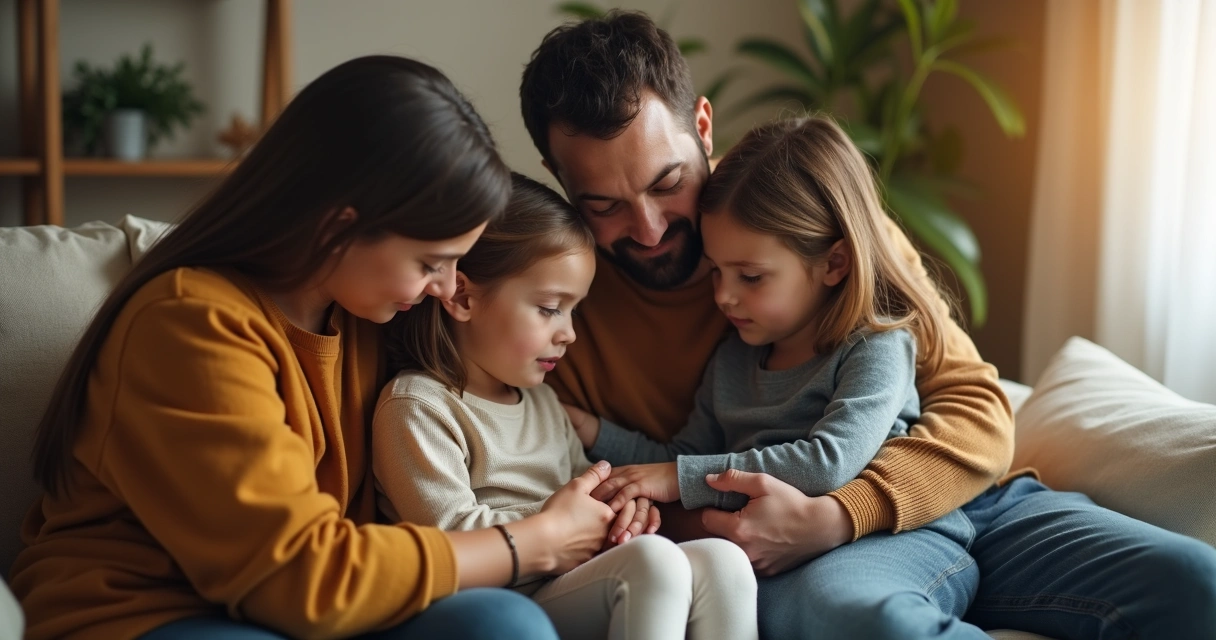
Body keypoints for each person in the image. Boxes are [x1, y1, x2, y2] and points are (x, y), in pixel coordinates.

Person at [520, 11, 1216, 639]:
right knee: (871, 620)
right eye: (604, 205)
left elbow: (974, 404)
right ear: (558, 177)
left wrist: (840, 514)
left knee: (1191, 581)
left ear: (703, 127)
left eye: (668, 183)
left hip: (957, 503)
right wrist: (614, 449)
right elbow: (622, 492)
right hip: (797, 554)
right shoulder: (556, 307)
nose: (647, 228)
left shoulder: (801, 207)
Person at [11, 56, 617, 640]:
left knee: (502, 625)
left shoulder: (364, 313)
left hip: (319, 609)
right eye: (430, 262)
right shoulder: (189, 324)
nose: (446, 287)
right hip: (148, 612)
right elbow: (297, 578)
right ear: (338, 225)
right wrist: (532, 543)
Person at [372, 172, 758, 640]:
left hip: (569, 578)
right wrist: (562, 522)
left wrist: (622, 510)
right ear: (464, 297)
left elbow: (586, 489)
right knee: (652, 563)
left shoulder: (543, 401)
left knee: (723, 560)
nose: (569, 333)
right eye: (551, 308)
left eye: (574, 310)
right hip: (500, 596)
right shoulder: (417, 406)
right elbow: (446, 541)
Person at [567, 115, 960, 558]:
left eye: (750, 277)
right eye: (715, 271)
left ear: (834, 264)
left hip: (885, 540)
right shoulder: (733, 359)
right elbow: (683, 454)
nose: (722, 296)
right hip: (779, 552)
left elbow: (828, 463)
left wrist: (678, 479)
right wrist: (592, 432)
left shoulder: (876, 346)